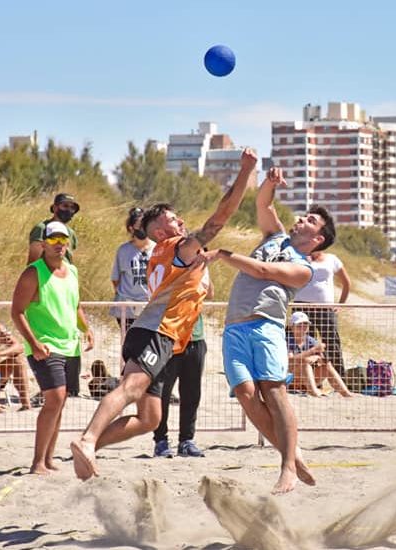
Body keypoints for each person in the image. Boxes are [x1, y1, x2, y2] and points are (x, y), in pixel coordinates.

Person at [69, 148, 257, 481]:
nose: (180, 221)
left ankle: (89, 448)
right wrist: (245, 173)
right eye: (173, 219)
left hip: (157, 334)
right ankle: (87, 439)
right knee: (129, 388)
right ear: (159, 232)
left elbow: (206, 254)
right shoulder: (174, 247)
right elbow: (219, 219)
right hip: (157, 331)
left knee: (150, 419)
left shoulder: (171, 255)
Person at [189, 167, 337, 495]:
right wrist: (269, 183)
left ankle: (286, 467)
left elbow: (263, 270)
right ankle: (293, 455)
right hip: (234, 328)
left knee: (273, 391)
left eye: (310, 221)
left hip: (265, 326)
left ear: (318, 239)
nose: (302, 220)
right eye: (304, 216)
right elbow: (263, 205)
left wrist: (223, 254)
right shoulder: (275, 237)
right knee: (244, 393)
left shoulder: (305, 268)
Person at [11, 221, 95, 475]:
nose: (59, 245)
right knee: (54, 399)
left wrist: (86, 328)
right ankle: (37, 462)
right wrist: (34, 343)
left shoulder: (71, 270)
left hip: (70, 345)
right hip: (44, 345)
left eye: (63, 240)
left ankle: (48, 458)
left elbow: (75, 305)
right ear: (44, 243)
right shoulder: (33, 273)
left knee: (60, 403)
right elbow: (16, 311)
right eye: (54, 240)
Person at [28, 192, 83, 396]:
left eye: (72, 207)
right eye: (64, 206)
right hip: (46, 283)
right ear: (54, 206)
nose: (68, 210)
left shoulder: (71, 233)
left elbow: (71, 260)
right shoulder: (41, 229)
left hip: (65, 283)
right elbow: (32, 259)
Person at [151, 281, 212, 459]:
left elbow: (210, 293)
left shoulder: (199, 273)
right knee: (163, 392)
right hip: (170, 338)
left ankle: (186, 440)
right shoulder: (173, 267)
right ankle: (160, 440)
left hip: (195, 338)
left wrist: (203, 270)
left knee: (191, 393)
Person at [292, 250, 351, 376]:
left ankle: (340, 378)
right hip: (302, 307)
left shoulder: (332, 258)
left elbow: (346, 282)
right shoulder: (298, 257)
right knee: (304, 343)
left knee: (331, 342)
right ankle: (307, 380)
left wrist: (340, 304)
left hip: (325, 308)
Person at [287, 311, 353, 398]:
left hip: (305, 379)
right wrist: (311, 352)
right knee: (305, 364)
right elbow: (290, 360)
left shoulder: (310, 340)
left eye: (305, 324)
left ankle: (346, 393)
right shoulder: (287, 340)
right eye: (299, 325)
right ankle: (314, 392)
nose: (303, 327)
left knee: (327, 365)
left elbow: (323, 359)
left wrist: (318, 357)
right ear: (292, 327)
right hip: (290, 379)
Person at [111, 207, 153, 331]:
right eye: (139, 226)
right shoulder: (124, 250)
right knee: (129, 341)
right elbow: (115, 279)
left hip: (149, 305)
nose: (143, 229)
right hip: (127, 307)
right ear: (131, 228)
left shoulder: (157, 249)